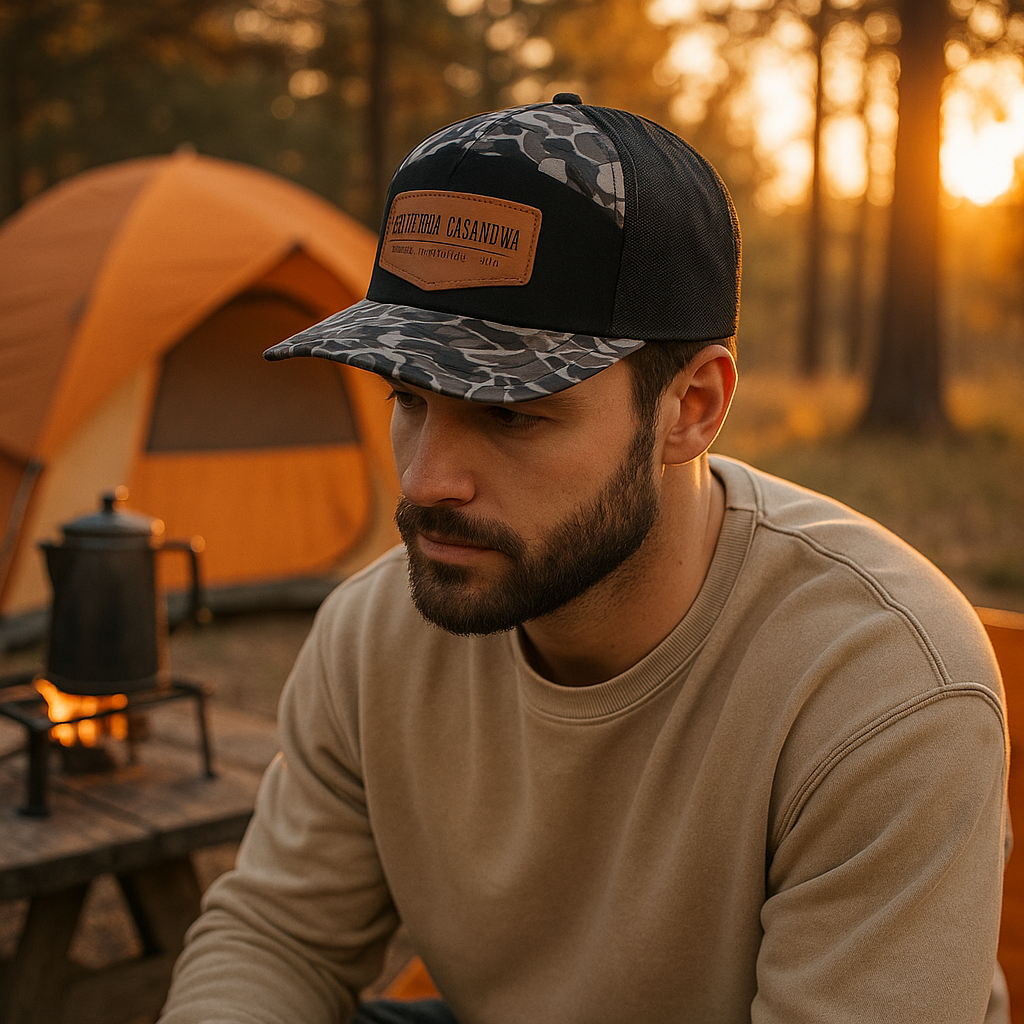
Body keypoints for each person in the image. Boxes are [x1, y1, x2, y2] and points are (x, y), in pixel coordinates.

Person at [159, 94, 1009, 1024]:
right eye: (409, 398)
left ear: (691, 408)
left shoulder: (878, 690)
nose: (428, 480)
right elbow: (278, 936)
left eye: (510, 414)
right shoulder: (376, 632)